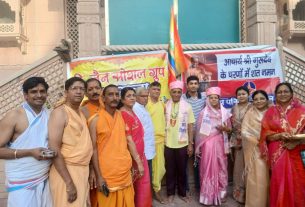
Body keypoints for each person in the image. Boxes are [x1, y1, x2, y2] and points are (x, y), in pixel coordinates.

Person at [0, 77, 53, 207]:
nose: (39, 95)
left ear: (47, 93)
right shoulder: (14, 116)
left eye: (42, 91)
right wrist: (30, 152)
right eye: (34, 92)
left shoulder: (50, 115)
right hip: (21, 183)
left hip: (45, 179)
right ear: (25, 95)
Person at [48, 77, 93, 207]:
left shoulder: (81, 112)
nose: (78, 92)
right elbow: (54, 149)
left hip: (82, 171)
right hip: (66, 173)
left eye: (81, 89)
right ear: (66, 92)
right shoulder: (60, 113)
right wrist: (69, 183)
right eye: (74, 88)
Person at [88, 84, 135, 207]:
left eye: (116, 94)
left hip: (124, 171)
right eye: (110, 94)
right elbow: (92, 149)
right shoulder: (95, 120)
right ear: (103, 98)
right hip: (106, 174)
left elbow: (124, 142)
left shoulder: (120, 115)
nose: (114, 97)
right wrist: (98, 176)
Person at [260, 82, 305, 207]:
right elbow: (265, 134)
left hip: (296, 151)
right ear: (275, 95)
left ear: (291, 93)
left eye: (286, 91)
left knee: (298, 182)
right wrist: (279, 136)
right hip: (277, 151)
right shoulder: (270, 112)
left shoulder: (302, 111)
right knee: (279, 181)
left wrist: (296, 141)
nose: (283, 94)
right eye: (279, 92)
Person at [195, 86, 232, 206]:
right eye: (211, 98)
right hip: (207, 145)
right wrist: (198, 146)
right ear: (208, 99)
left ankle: (221, 193)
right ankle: (207, 195)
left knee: (221, 166)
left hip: (220, 143)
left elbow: (230, 129)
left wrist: (224, 128)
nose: (213, 100)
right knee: (206, 167)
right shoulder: (203, 113)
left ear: (219, 99)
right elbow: (199, 133)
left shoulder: (225, 112)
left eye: (216, 98)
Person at [119, 87, 152, 207]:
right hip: (133, 156)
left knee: (142, 184)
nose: (132, 97)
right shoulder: (123, 113)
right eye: (128, 96)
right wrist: (138, 161)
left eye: (133, 95)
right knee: (137, 185)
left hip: (140, 153)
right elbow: (128, 140)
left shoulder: (131, 110)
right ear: (122, 100)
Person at [165, 80, 195, 203]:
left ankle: (182, 193)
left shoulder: (187, 106)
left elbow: (190, 126)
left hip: (182, 144)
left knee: (182, 170)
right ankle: (170, 193)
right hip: (168, 143)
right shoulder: (165, 105)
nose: (176, 94)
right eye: (174, 92)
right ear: (170, 92)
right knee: (170, 170)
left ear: (181, 92)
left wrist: (190, 144)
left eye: (178, 92)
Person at [241, 90, 270, 207]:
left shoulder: (272, 112)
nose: (259, 101)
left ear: (267, 99)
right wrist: (258, 142)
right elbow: (244, 132)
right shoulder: (250, 113)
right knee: (259, 179)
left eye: (262, 98)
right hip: (256, 150)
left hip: (274, 149)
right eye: (256, 99)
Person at [182, 75, 206, 193]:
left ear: (198, 85)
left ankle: (199, 186)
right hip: (185, 133)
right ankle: (185, 187)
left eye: (195, 83)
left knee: (199, 160)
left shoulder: (205, 97)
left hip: (201, 134)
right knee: (185, 161)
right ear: (187, 85)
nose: (193, 85)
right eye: (191, 83)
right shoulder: (182, 98)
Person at [80, 78, 102, 207]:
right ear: (86, 93)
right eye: (90, 89)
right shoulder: (84, 111)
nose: (94, 91)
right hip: (93, 159)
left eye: (97, 88)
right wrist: (92, 169)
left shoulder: (108, 105)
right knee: (96, 193)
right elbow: (86, 141)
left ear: (101, 89)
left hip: (110, 158)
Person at [146, 81, 166, 203]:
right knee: (151, 169)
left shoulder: (162, 104)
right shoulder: (145, 104)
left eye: (158, 90)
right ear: (149, 90)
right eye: (154, 89)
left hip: (161, 141)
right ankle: (155, 191)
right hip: (149, 142)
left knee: (161, 168)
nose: (156, 92)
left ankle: (156, 188)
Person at [230, 86, 251, 203]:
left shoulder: (252, 107)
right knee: (238, 168)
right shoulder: (234, 108)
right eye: (239, 94)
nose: (241, 96)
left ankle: (250, 195)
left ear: (248, 95)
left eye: (244, 94)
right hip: (237, 143)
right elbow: (231, 126)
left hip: (251, 143)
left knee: (250, 168)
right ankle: (239, 195)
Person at [133, 87, 156, 182]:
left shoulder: (142, 107)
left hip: (148, 147)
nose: (146, 98)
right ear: (136, 97)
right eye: (143, 96)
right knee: (144, 177)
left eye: (147, 96)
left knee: (148, 174)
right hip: (142, 148)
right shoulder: (135, 108)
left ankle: (148, 195)